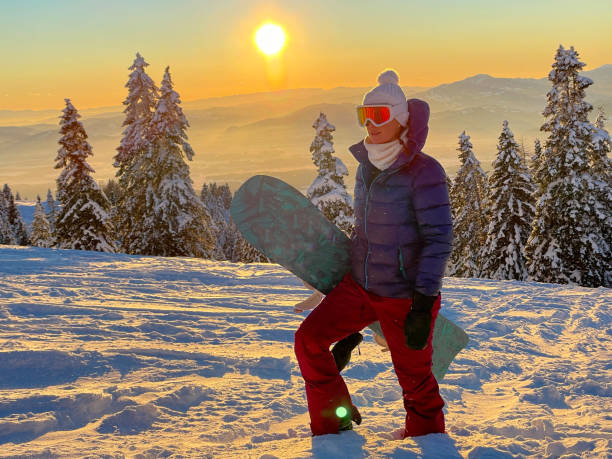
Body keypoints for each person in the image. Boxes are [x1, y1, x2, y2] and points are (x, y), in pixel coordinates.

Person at [294, 69, 453, 437]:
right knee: (309, 340)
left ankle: (429, 442)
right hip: (360, 288)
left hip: (405, 297)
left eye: (378, 115)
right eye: (364, 115)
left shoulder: (425, 171)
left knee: (415, 382)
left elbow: (438, 238)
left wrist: (423, 303)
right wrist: (350, 328)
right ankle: (335, 421)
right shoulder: (366, 166)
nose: (370, 124)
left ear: (399, 118)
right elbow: (363, 232)